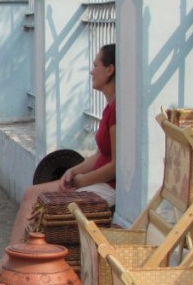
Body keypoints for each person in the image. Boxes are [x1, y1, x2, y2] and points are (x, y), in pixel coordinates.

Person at [6, 44, 116, 245]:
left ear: (109, 70)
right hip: (95, 182)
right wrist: (73, 172)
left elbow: (116, 166)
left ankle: (14, 261)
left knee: (38, 203)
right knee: (31, 193)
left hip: (107, 188)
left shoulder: (117, 110)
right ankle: (12, 257)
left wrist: (82, 181)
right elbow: (102, 155)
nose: (92, 71)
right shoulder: (109, 108)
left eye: (96, 65)